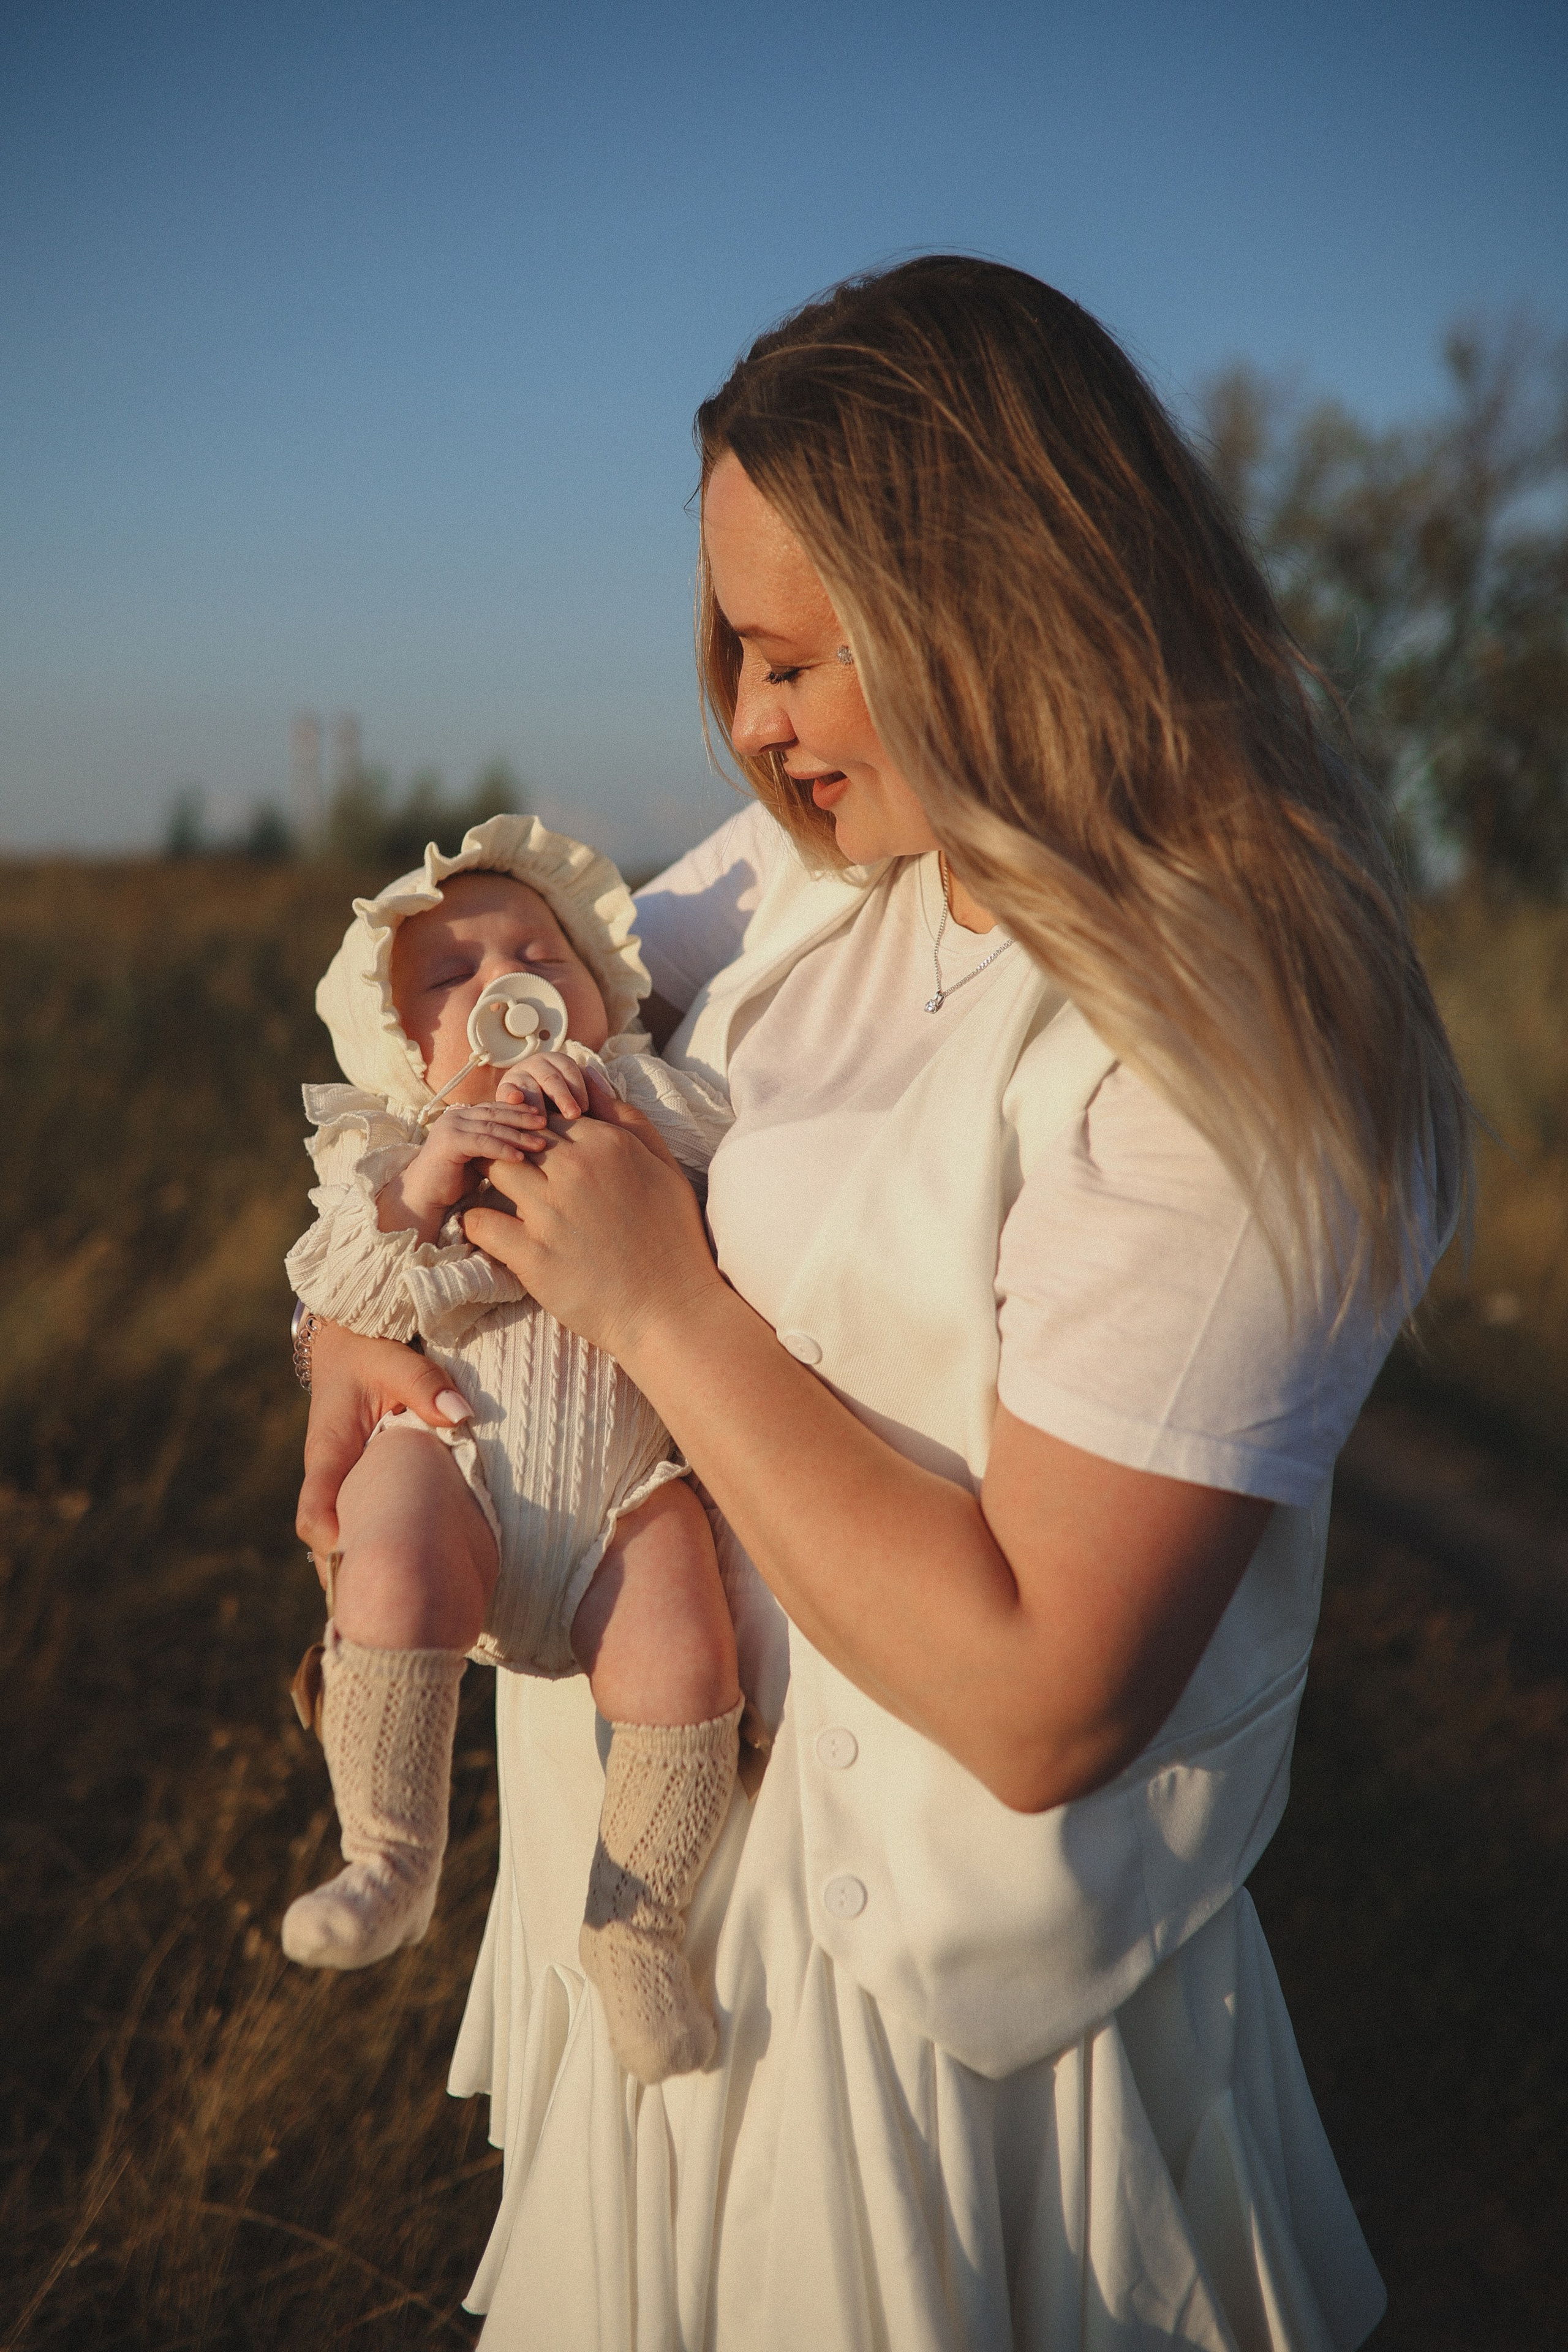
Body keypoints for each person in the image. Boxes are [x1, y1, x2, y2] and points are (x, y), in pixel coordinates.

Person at [296, 259, 1468, 2350]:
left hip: (947, 2048)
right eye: (729, 650)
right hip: (656, 1935)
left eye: (794, 657)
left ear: (1000, 612)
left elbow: (1047, 1700)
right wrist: (346, 1337)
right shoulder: (783, 880)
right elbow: (460, 1066)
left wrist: (664, 1310)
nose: (746, 722)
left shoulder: (1230, 1039)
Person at [282, 815, 743, 2082]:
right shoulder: (384, 1149)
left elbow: (723, 1178)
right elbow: (344, 1295)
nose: (505, 983)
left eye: (540, 952)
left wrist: (625, 1125)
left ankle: (638, 1928)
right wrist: (427, 1185)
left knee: (686, 1654)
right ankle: (389, 1857)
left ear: (601, 986)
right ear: (402, 1048)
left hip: (621, 1497)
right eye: (452, 977)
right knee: (387, 1569)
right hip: (461, 1463)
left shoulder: (651, 1090)